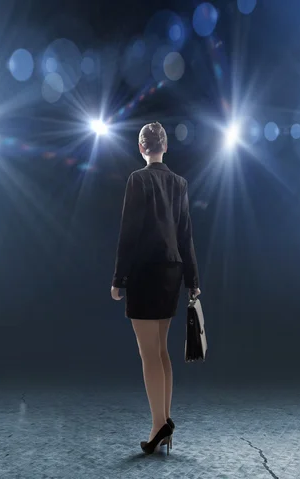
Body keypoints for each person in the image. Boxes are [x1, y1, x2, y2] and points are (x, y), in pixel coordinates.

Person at [110, 122, 200, 455]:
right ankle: (164, 423)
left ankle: (157, 425)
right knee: (161, 350)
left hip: (146, 273)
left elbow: (128, 233)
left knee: (149, 354)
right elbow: (186, 235)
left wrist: (119, 279)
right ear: (165, 147)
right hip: (172, 274)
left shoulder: (138, 180)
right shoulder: (180, 183)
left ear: (141, 147)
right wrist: (193, 281)